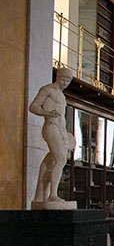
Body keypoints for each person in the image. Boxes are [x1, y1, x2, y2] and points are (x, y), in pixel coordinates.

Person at [29, 67, 76, 205]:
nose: (65, 83)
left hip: (59, 130)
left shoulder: (62, 96)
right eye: (63, 79)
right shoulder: (48, 90)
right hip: (50, 127)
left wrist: (65, 134)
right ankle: (52, 195)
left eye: (68, 81)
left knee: (49, 161)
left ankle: (40, 196)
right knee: (61, 158)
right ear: (57, 77)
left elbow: (62, 118)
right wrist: (47, 113)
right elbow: (33, 106)